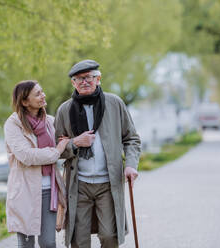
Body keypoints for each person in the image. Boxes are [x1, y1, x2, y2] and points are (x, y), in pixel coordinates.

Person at [54, 60, 141, 248]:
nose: (84, 82)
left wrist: (131, 165)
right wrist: (75, 143)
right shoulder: (64, 110)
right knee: (78, 240)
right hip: (79, 184)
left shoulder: (114, 103)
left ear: (98, 79)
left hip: (108, 183)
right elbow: (57, 149)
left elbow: (131, 139)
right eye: (79, 79)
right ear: (73, 83)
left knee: (110, 237)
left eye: (89, 77)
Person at [4, 80, 69, 248]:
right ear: (25, 102)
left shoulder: (50, 122)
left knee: (48, 243)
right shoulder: (13, 124)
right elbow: (27, 155)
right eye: (38, 94)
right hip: (24, 192)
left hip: (49, 191)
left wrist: (73, 143)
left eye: (42, 91)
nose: (43, 95)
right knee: (26, 245)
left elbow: (66, 141)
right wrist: (57, 151)